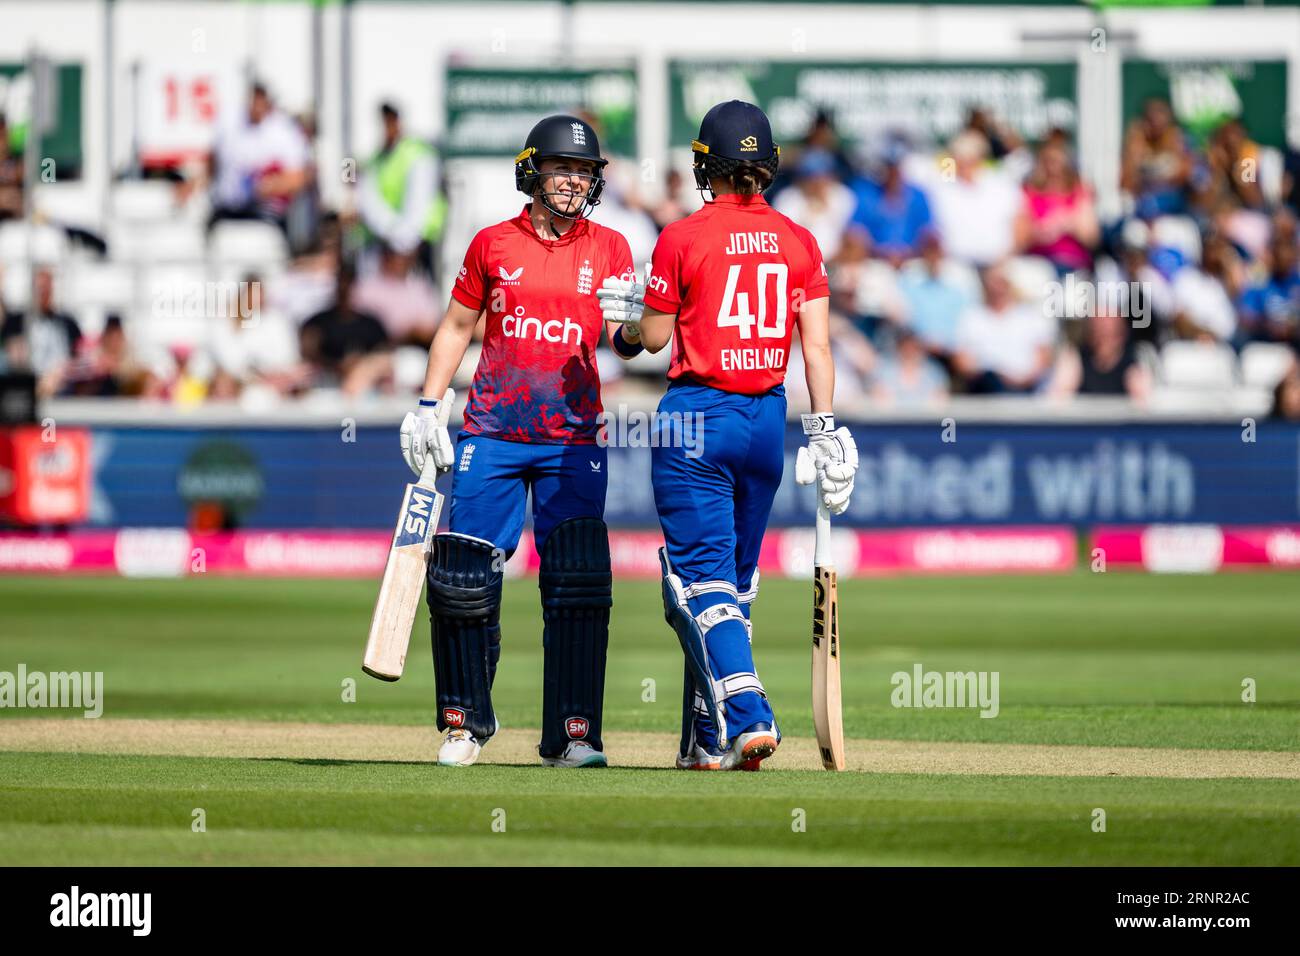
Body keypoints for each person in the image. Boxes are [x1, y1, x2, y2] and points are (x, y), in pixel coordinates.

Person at [597, 100, 858, 771]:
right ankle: (704, 739)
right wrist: (823, 429)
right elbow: (819, 346)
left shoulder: (683, 237)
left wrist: (622, 328)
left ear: (706, 163)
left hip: (696, 413)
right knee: (731, 590)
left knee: (699, 580)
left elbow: (649, 339)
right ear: (767, 165)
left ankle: (747, 714)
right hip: (768, 419)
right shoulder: (800, 240)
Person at [399, 115, 636, 769]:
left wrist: (642, 321)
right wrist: (428, 405)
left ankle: (573, 735)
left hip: (573, 438)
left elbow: (634, 343)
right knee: (463, 578)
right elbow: (454, 326)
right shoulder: (490, 245)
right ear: (532, 170)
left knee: (577, 585)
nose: (574, 182)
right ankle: (464, 724)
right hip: (492, 433)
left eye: (584, 172)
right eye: (563, 168)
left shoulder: (612, 248)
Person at [358, 102, 445, 277]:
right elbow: (365, 196)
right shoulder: (376, 157)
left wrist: (402, 242)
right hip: (388, 243)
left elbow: (419, 205)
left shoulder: (418, 154)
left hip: (418, 246)